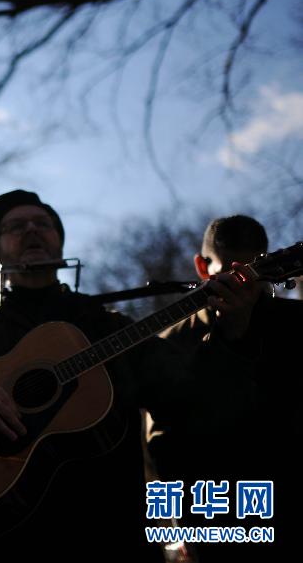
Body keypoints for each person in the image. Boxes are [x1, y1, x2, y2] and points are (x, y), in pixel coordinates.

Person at [0, 190, 260, 562]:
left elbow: (195, 396)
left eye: (44, 224)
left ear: (59, 242)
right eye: (16, 227)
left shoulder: (105, 326)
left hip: (107, 537)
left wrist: (233, 328)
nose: (33, 230)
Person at [150, 215, 302, 561]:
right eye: (232, 275)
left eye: (253, 272)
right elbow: (164, 444)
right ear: (203, 269)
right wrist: (182, 524)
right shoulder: (173, 342)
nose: (245, 285)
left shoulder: (296, 325)